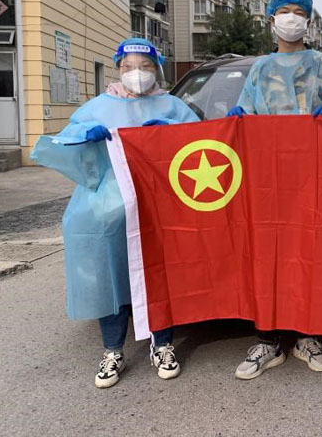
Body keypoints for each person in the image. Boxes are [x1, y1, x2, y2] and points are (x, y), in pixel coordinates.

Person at [30, 37, 199, 388]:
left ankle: (163, 344)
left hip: (158, 208)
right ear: (118, 68)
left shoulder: (171, 106)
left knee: (158, 275)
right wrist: (84, 135)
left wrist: (173, 133)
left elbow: (200, 142)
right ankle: (112, 350)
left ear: (157, 69)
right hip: (107, 208)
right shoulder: (98, 107)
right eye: (129, 67)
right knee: (108, 276)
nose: (137, 73)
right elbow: (67, 139)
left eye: (145, 66)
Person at [226, 0, 322, 380]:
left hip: (314, 179)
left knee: (309, 254)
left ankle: (307, 335)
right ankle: (267, 339)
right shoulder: (259, 70)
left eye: (299, 13)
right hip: (268, 181)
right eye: (285, 12)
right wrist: (235, 122)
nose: (291, 19)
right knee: (268, 255)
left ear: (308, 21)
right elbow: (244, 116)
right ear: (271, 19)